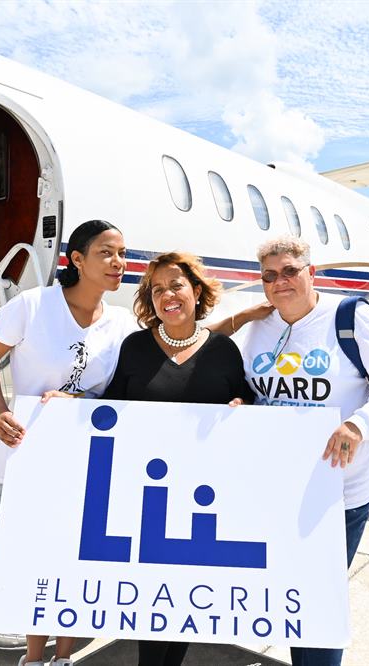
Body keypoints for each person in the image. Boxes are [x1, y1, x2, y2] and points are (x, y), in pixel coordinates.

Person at [235, 236, 369, 666]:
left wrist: (358, 424)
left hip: (338, 491)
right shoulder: (259, 328)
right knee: (287, 591)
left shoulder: (350, 318)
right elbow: (251, 390)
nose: (280, 282)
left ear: (310, 273)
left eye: (290, 271)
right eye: (270, 276)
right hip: (277, 487)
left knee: (317, 597)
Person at [0, 219, 138, 666]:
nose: (118, 262)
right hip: (33, 449)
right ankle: (32, 656)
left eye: (122, 253)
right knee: (35, 555)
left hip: (91, 453)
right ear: (77, 259)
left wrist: (80, 397)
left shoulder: (121, 322)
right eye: (106, 252)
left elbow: (123, 388)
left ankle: (64, 656)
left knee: (77, 558)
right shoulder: (33, 305)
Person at [101, 251, 255, 666]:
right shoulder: (134, 347)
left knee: (185, 602)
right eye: (156, 290)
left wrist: (243, 406)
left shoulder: (223, 350)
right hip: (147, 497)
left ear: (197, 291)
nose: (167, 295)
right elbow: (110, 407)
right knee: (151, 602)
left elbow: (247, 399)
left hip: (202, 500)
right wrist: (67, 406)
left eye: (176, 285)